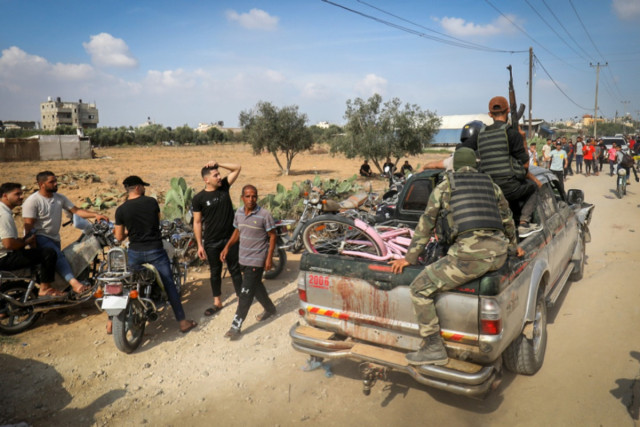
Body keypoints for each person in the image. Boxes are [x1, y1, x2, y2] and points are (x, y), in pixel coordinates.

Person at [389, 148, 524, 365]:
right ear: (475, 165)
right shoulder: (492, 186)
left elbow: (426, 224)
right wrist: (514, 247)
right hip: (499, 254)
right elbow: (507, 219)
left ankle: (433, 347)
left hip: (469, 259)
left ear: (454, 166)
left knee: (419, 289)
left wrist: (409, 259)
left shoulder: (445, 187)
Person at [113, 176, 196, 334]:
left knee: (125, 284)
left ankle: (112, 323)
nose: (145, 189)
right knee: (169, 283)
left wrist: (128, 230)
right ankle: (183, 322)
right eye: (143, 186)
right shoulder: (151, 202)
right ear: (137, 187)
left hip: (135, 253)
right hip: (155, 251)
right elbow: (156, 222)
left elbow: (118, 237)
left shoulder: (121, 210)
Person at [461, 95, 542, 238]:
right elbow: (525, 165)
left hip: (488, 190)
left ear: (490, 114)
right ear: (508, 110)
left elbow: (461, 150)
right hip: (510, 188)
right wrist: (522, 138)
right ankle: (523, 223)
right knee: (533, 187)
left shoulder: (480, 133)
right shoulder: (512, 134)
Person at [22, 171, 108, 296]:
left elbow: (77, 211)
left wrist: (96, 214)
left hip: (55, 237)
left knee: (56, 264)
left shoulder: (59, 198)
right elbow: (28, 225)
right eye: (51, 182)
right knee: (59, 257)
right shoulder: (33, 201)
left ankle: (55, 294)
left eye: (56, 180)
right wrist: (31, 242)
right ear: (41, 184)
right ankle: (75, 283)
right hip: (40, 236)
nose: (56, 184)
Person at [221, 184, 277, 340]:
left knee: (245, 292)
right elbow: (237, 231)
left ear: (257, 198)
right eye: (248, 196)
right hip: (243, 258)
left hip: (257, 259)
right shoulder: (238, 212)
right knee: (255, 285)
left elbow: (273, 236)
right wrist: (227, 247)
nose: (251, 199)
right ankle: (270, 308)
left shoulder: (264, 215)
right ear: (242, 198)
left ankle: (235, 326)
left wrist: (269, 257)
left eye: (254, 196)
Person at [192, 160, 243, 316]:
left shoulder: (224, 187)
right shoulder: (198, 198)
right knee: (215, 272)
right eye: (215, 175)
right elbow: (197, 222)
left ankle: (242, 300)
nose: (219, 177)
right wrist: (200, 245)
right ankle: (217, 302)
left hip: (230, 238)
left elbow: (237, 167)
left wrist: (219, 164)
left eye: (219, 174)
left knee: (235, 269)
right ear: (206, 180)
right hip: (212, 241)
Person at [0, 183, 60, 298]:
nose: (21, 197)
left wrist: (22, 241)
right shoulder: (3, 214)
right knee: (48, 253)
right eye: (17, 194)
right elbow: (9, 244)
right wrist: (25, 242)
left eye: (21, 194)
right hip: (4, 257)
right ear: (5, 196)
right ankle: (45, 289)